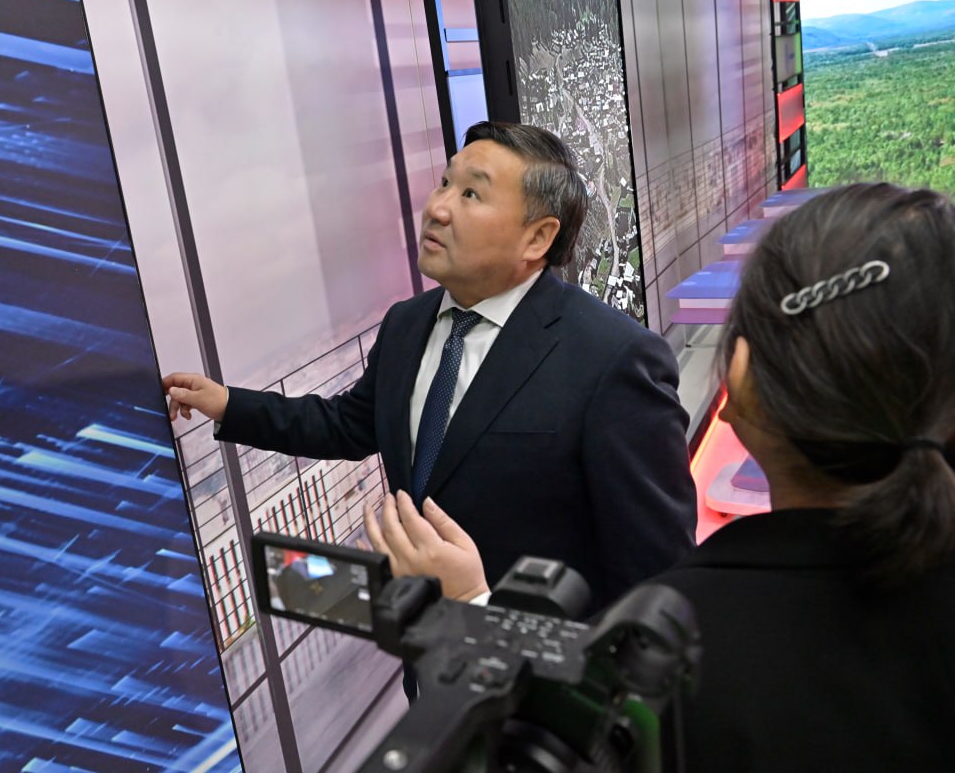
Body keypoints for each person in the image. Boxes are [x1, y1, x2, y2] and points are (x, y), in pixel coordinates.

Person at [368, 182, 955, 771]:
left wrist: (471, 607)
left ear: (742, 379)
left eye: (473, 191)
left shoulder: (674, 654)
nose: (440, 206)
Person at [164, 121, 696, 610]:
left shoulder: (613, 359)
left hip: (545, 672)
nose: (437, 208)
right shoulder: (407, 324)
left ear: (537, 237)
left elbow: (659, 579)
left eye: (471, 194)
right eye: (444, 183)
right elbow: (350, 424)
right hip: (432, 657)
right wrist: (229, 405)